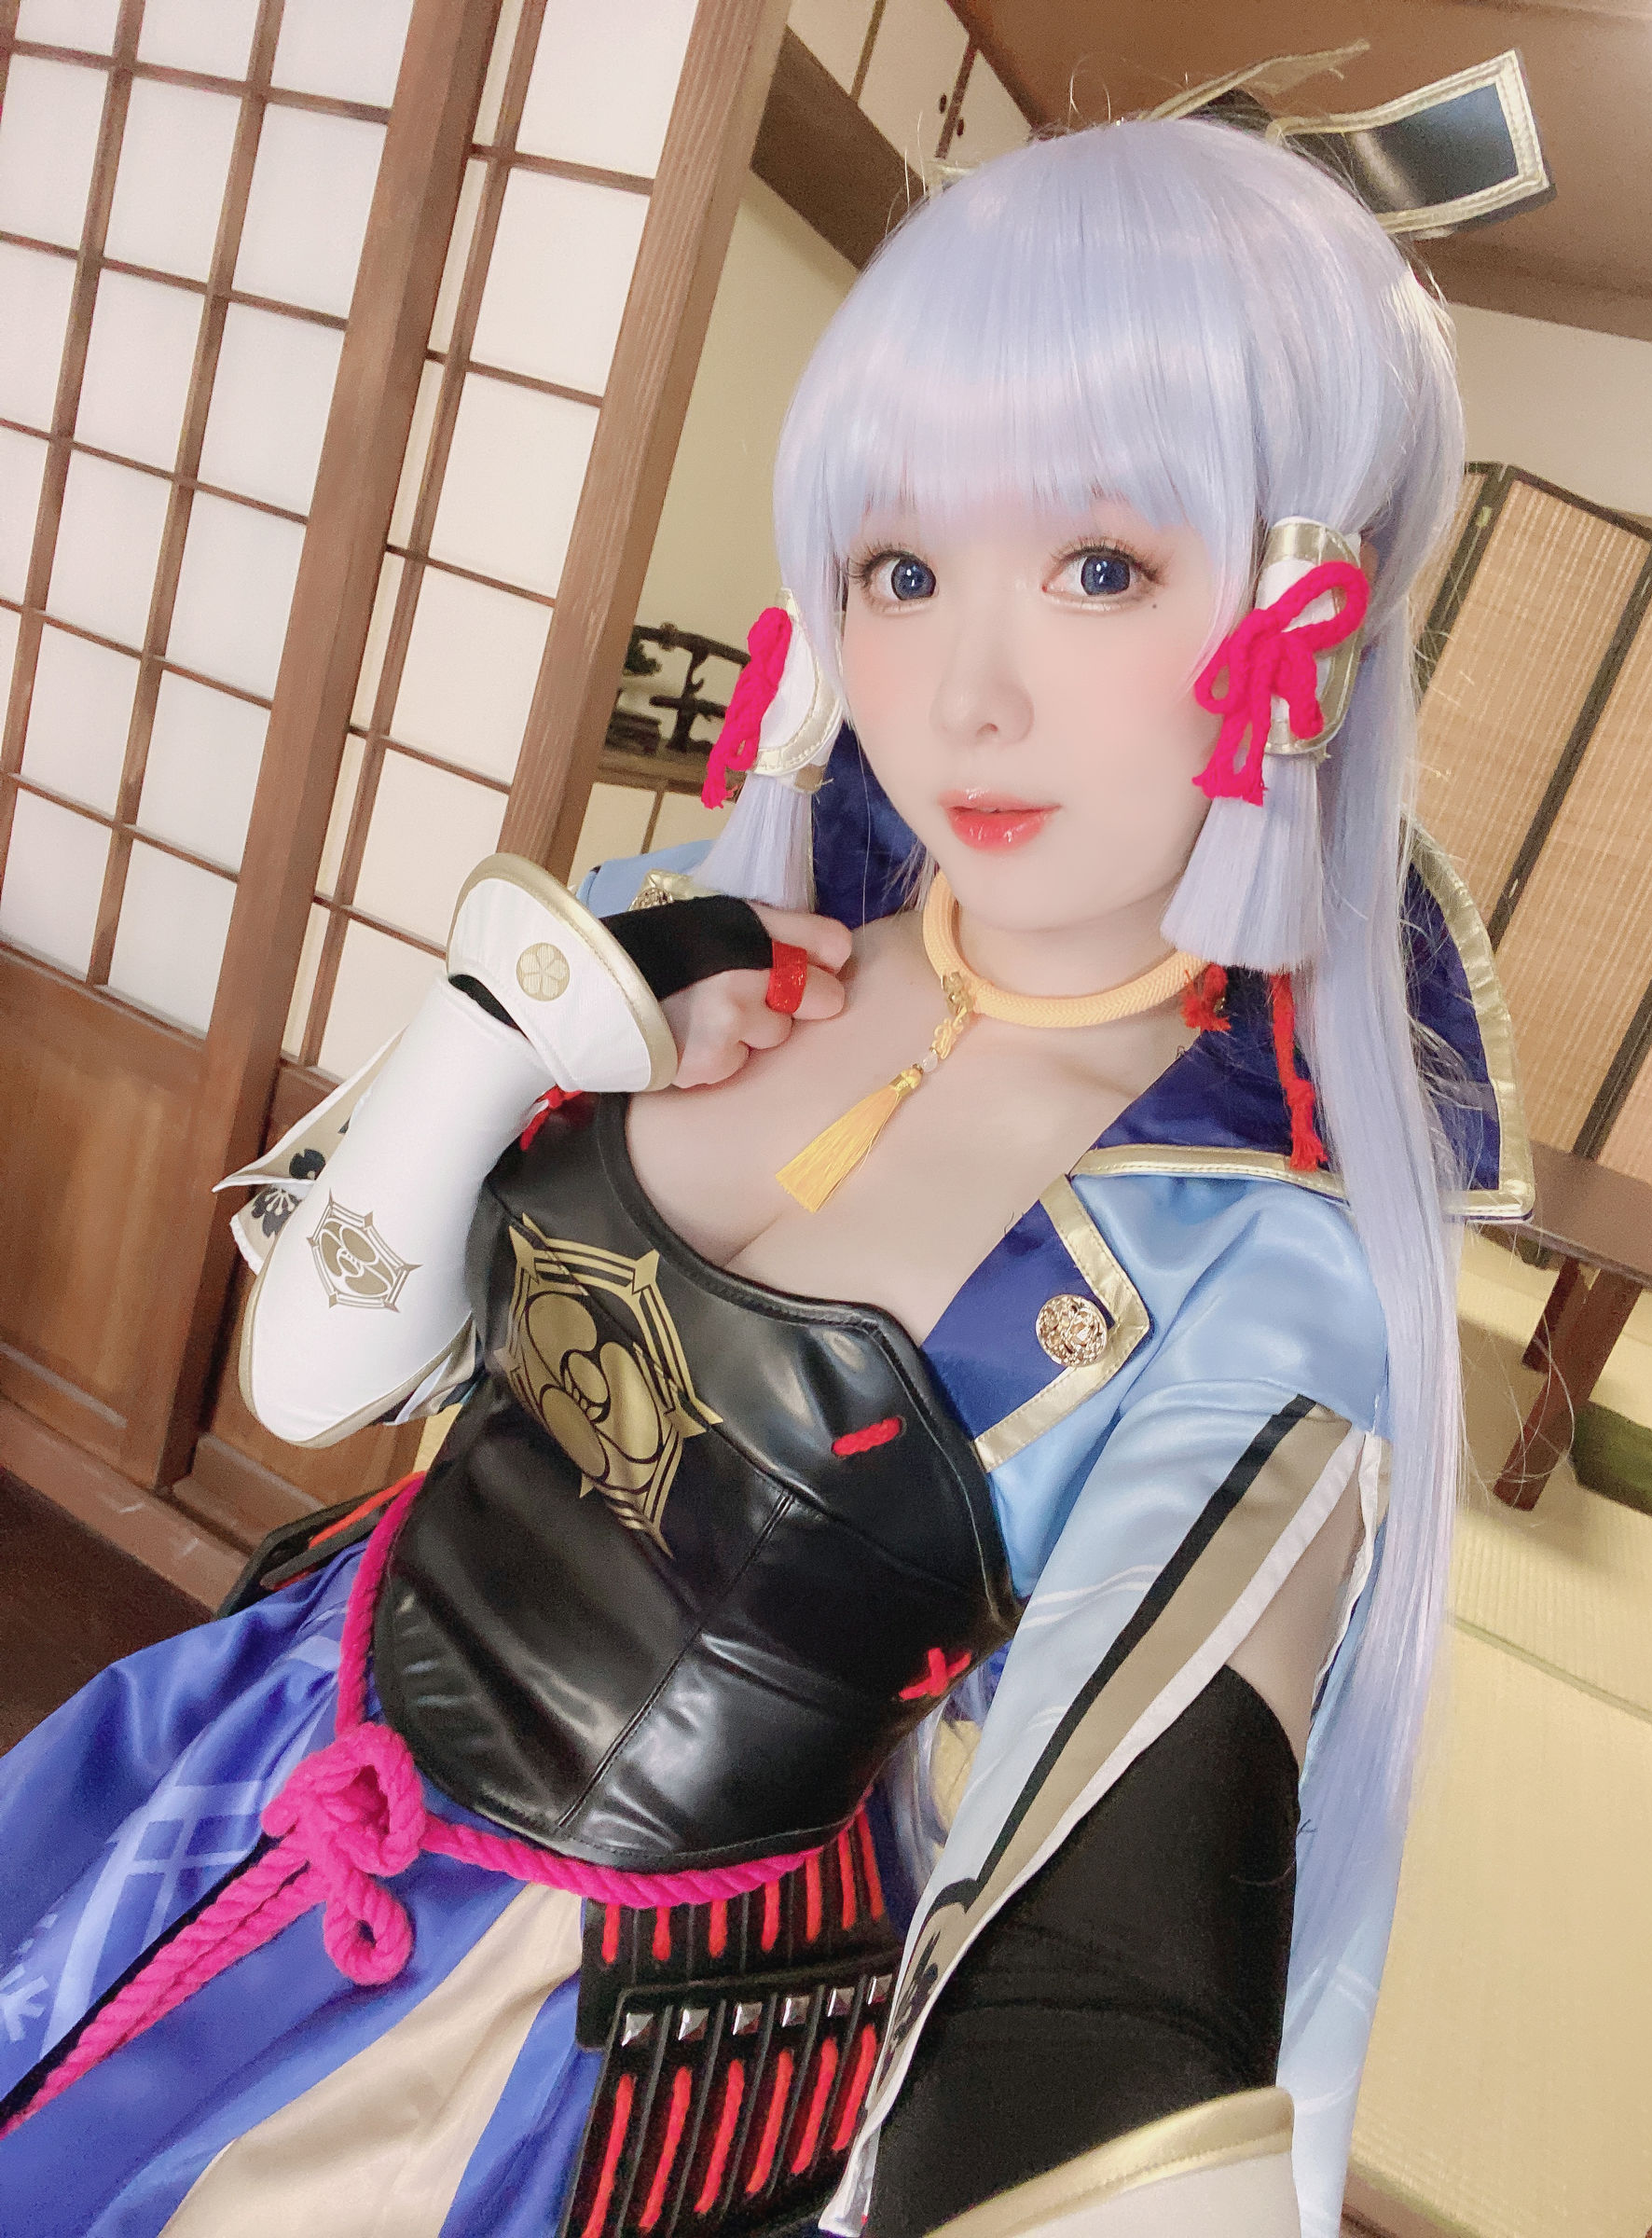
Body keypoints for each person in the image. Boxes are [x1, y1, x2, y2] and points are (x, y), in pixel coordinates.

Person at [0, 117, 1527, 2238]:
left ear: (1304, 614)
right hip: (252, 1742)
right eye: (901, 569)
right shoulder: (702, 927)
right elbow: (314, 1385)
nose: (965, 696)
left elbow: (1112, 1983)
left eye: (1100, 566)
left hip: (573, 2046)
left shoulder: (1252, 1256)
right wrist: (500, 1029)